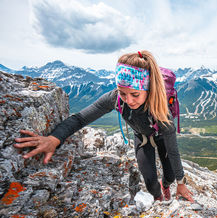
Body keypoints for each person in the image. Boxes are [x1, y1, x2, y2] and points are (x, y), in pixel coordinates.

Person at [14, 50, 194, 203]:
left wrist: (180, 182)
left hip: (161, 138)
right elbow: (81, 118)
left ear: (148, 90)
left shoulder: (162, 113)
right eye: (123, 93)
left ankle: (167, 185)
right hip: (142, 138)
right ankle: (159, 200)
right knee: (149, 181)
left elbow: (173, 151)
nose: (128, 100)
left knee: (169, 174)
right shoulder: (114, 98)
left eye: (135, 94)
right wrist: (54, 138)